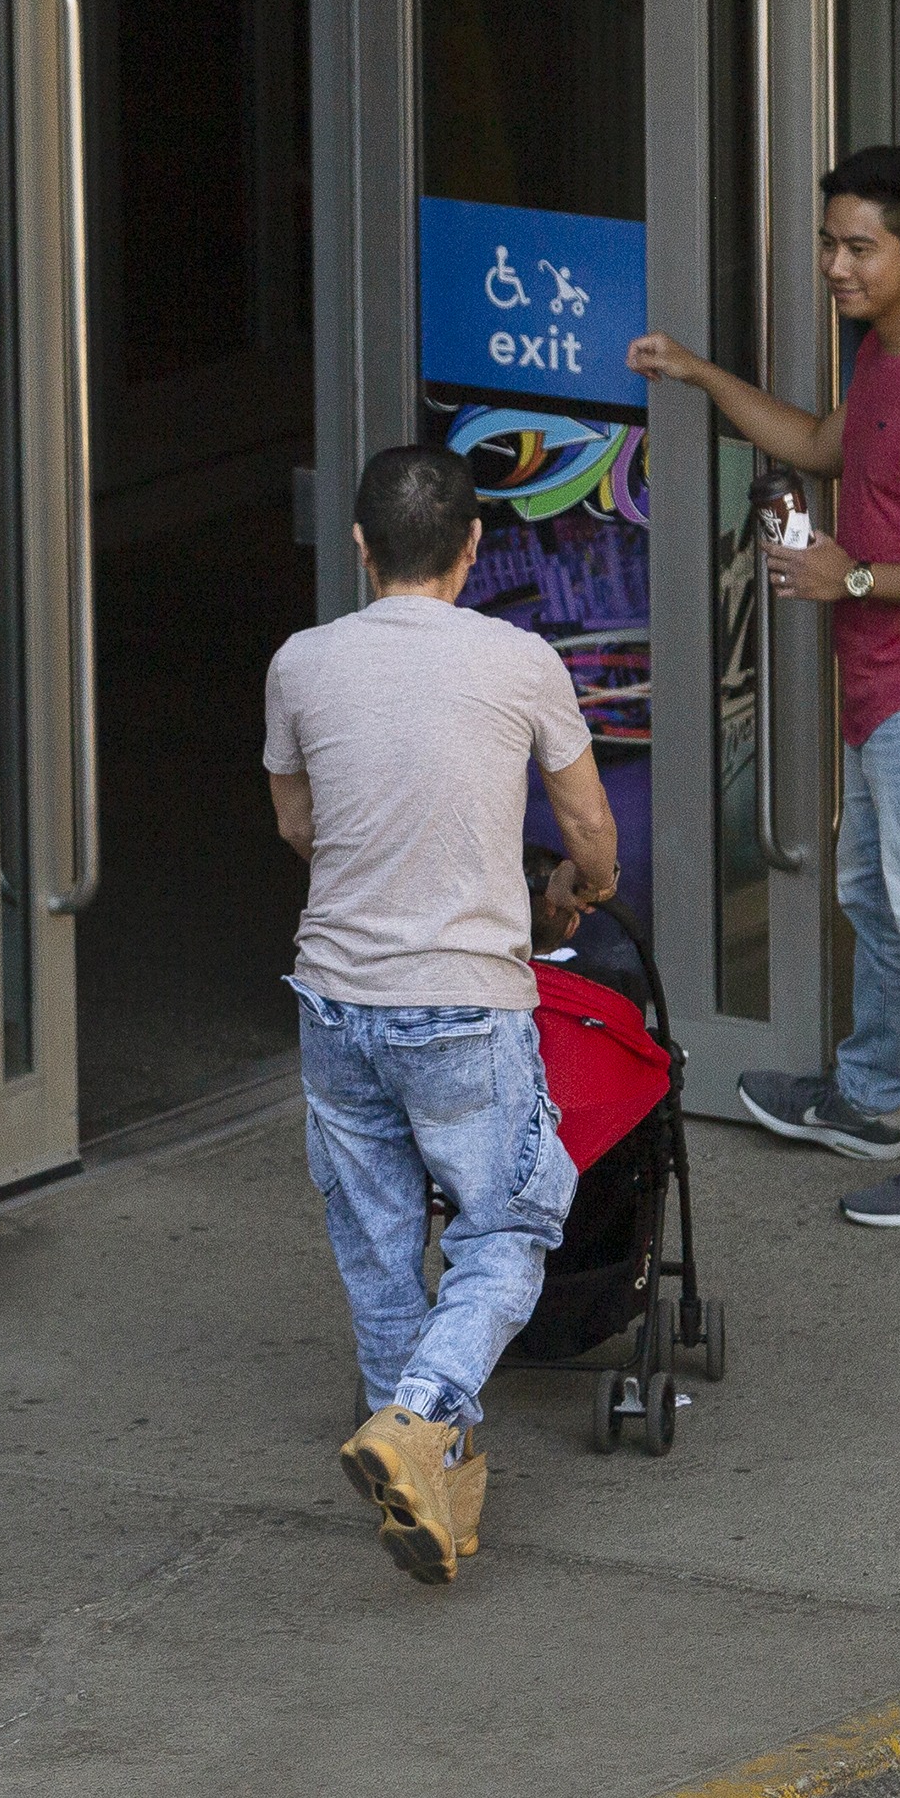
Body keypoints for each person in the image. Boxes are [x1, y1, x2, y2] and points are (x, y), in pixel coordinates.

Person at [629, 142, 900, 1228]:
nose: (837, 266)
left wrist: (850, 572)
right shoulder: (888, 354)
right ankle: (864, 1102)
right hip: (889, 686)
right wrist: (697, 374)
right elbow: (817, 444)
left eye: (861, 248)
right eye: (828, 242)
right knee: (882, 902)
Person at [266, 444, 630, 1585]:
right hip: (464, 1007)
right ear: (477, 547)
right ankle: (421, 1418)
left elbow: (297, 826)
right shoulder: (520, 661)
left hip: (334, 998)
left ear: (363, 548)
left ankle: (435, 1491)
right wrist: (584, 893)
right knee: (511, 1229)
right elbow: (591, 836)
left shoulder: (301, 662)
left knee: (380, 1253)